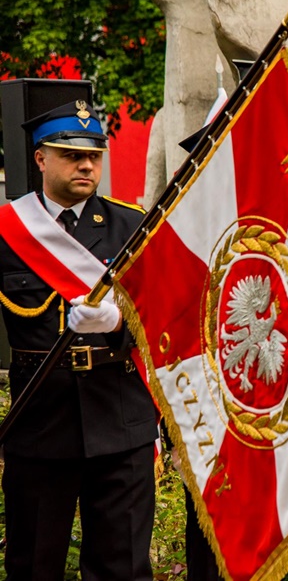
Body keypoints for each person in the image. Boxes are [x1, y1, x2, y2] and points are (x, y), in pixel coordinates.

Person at [0, 101, 158, 580]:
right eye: (71, 154)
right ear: (41, 158)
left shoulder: (132, 225)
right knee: (33, 565)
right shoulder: (8, 232)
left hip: (121, 414)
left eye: (94, 154)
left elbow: (168, 317)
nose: (87, 164)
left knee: (123, 567)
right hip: (41, 419)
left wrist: (118, 323)